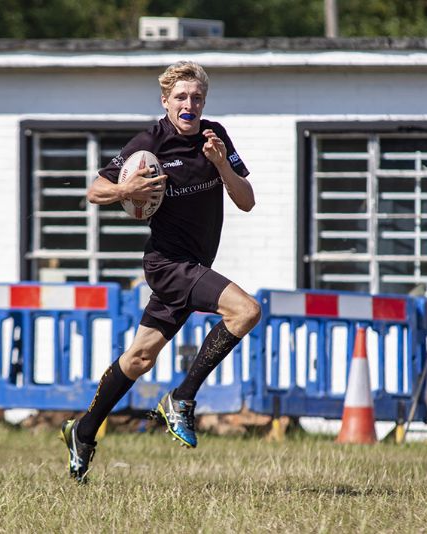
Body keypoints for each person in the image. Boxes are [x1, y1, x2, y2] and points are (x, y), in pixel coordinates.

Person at [61, 61, 260, 483]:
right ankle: (182, 399)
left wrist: (222, 165)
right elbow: (95, 190)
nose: (190, 105)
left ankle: (83, 430)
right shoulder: (149, 143)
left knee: (140, 357)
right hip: (169, 265)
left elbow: (246, 201)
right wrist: (124, 190)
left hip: (195, 265)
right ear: (165, 101)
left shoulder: (215, 136)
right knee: (245, 311)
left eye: (197, 98)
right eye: (181, 97)